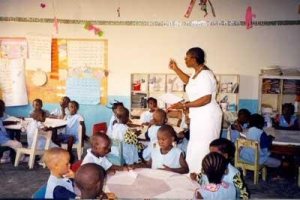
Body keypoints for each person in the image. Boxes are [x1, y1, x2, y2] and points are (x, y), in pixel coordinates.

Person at [168, 47, 222, 173]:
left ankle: (204, 175)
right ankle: (193, 173)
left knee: (204, 147)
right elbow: (189, 82)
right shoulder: (196, 73)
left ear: (194, 58)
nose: (185, 60)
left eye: (187, 58)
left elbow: (206, 99)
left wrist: (185, 105)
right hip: (199, 116)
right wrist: (176, 69)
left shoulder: (206, 75)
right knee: (195, 146)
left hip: (208, 116)